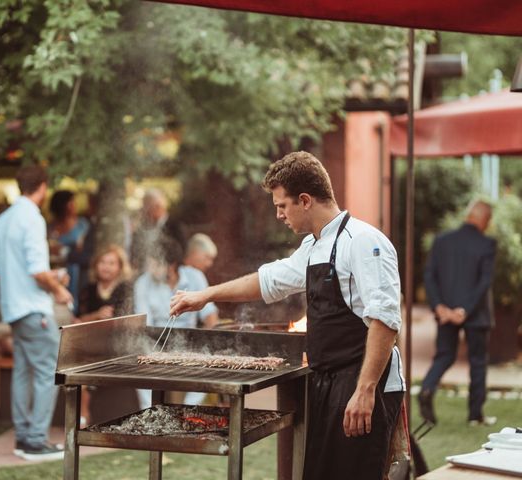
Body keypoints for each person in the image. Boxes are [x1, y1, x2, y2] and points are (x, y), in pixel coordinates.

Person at [170, 151, 405, 480]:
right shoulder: (314, 245)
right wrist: (205, 295)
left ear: (305, 200)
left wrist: (364, 391)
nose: (279, 215)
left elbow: (384, 321)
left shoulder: (364, 242)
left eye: (282, 205)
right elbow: (267, 280)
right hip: (328, 383)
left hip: (365, 385)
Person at [0, 165, 73, 460]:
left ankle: (24, 437)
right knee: (47, 370)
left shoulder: (1, 221)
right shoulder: (32, 218)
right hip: (33, 308)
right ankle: (36, 440)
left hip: (12, 307)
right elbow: (37, 271)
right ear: (42, 186)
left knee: (23, 372)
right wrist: (59, 288)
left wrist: (50, 277)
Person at [418, 200, 497, 427]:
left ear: (468, 215)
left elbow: (430, 276)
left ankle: (426, 388)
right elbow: (484, 282)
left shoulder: (442, 241)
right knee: (478, 363)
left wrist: (440, 307)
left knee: (444, 356)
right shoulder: (487, 244)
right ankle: (475, 416)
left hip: (445, 311)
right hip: (476, 313)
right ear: (485, 220)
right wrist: (464, 310)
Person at [135, 236, 219, 409]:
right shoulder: (143, 283)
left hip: (190, 342)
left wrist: (212, 344)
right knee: (140, 369)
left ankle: (187, 412)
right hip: (156, 341)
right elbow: (145, 324)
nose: (150, 269)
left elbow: (210, 316)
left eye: (155, 264)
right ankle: (149, 412)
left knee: (210, 367)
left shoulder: (195, 277)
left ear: (171, 265)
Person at [76, 244, 134, 425]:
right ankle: (82, 414)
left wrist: (99, 322)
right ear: (95, 265)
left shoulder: (125, 290)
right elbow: (77, 321)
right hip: (91, 343)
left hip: (117, 344)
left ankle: (83, 415)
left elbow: (126, 322)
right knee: (79, 362)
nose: (106, 267)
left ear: (120, 267)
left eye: (112, 263)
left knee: (86, 361)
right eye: (102, 262)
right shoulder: (88, 289)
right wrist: (96, 316)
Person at [48, 190, 90, 313]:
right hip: (57, 269)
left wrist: (63, 250)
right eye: (71, 202)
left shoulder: (82, 225)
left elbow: (83, 251)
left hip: (77, 271)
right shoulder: (51, 226)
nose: (74, 205)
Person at [130, 188, 187, 272]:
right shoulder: (143, 227)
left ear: (158, 206)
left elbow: (182, 250)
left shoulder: (175, 225)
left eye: (147, 207)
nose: (145, 211)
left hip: (168, 272)